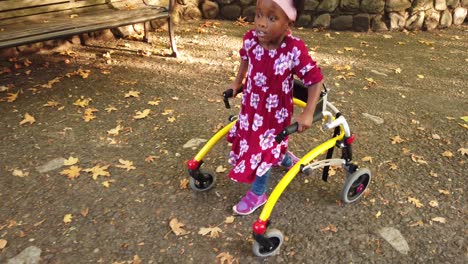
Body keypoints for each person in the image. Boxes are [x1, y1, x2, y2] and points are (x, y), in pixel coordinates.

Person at [226, 0, 324, 215]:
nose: (261, 23)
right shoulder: (251, 40)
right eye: (259, 14)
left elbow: (315, 80)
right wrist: (237, 82)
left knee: (263, 149)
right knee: (253, 140)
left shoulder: (293, 50)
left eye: (271, 18)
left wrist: (308, 113)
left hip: (274, 113)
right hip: (251, 107)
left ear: (289, 22)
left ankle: (258, 192)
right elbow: (245, 58)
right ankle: (286, 159)